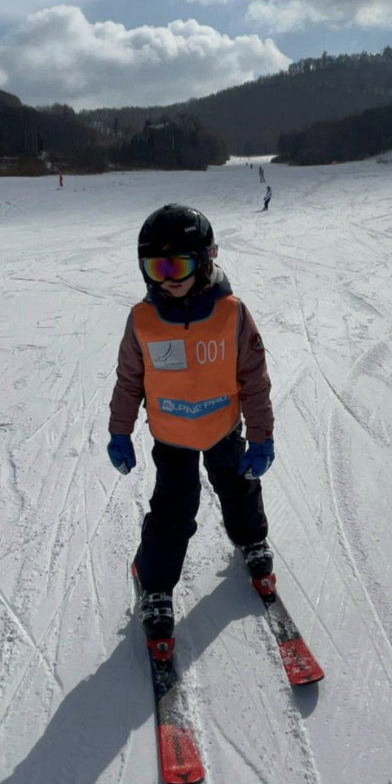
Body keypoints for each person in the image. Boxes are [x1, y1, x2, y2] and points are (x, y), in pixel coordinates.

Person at [107, 205, 275, 642]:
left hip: (223, 429)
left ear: (205, 259)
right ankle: (157, 584)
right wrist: (120, 431)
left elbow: (253, 378)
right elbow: (129, 381)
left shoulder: (232, 313)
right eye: (156, 266)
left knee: (239, 488)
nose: (169, 276)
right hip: (172, 436)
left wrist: (261, 436)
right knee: (173, 509)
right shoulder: (142, 321)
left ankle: (252, 539)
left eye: (179, 263)